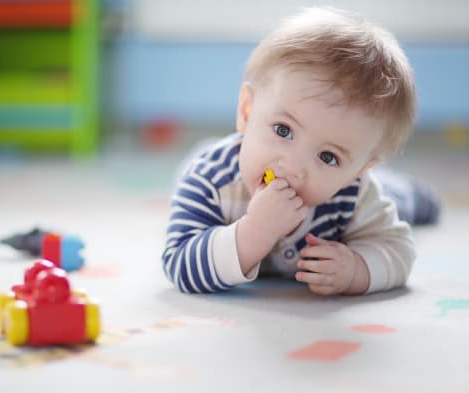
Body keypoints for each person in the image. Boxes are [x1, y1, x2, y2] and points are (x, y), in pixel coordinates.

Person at [162, 7, 439, 296]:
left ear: (358, 170)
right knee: (189, 173)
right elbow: (179, 264)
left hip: (377, 189)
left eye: (328, 156)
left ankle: (409, 191)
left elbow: (399, 250)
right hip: (210, 164)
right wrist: (255, 231)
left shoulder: (353, 193)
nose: (293, 168)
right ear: (247, 110)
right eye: (283, 130)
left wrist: (356, 269)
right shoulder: (211, 181)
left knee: (398, 200)